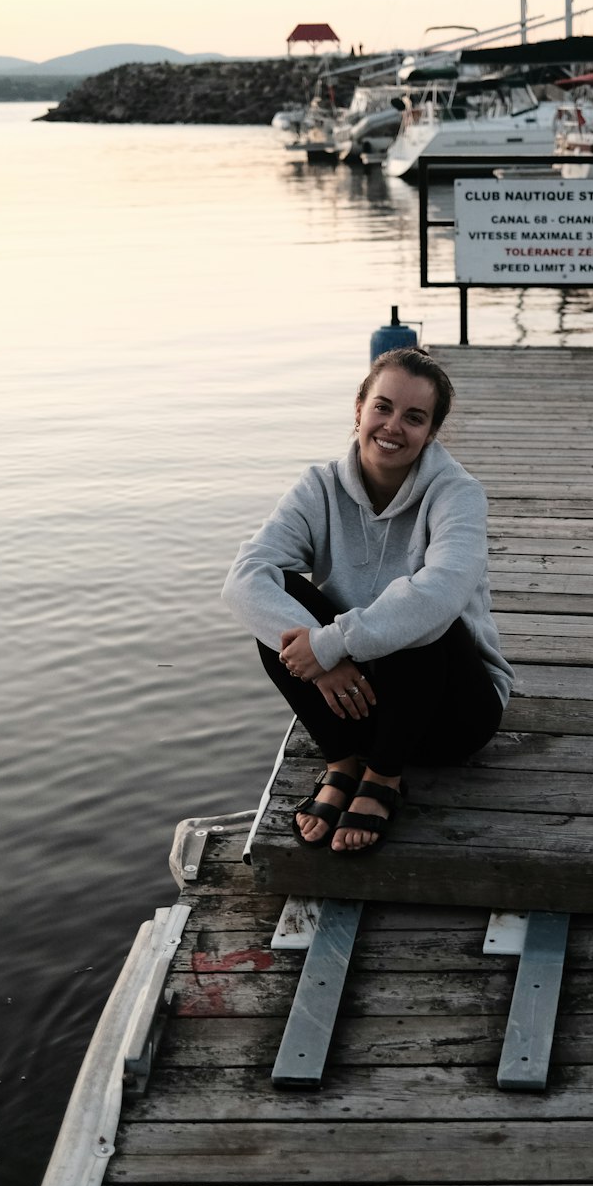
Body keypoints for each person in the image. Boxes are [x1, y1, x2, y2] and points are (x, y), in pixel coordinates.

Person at [222, 347, 513, 855]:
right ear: (359, 408)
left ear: (431, 432)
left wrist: (331, 643)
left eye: (414, 417)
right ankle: (342, 762)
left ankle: (383, 777)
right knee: (276, 597)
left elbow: (442, 591)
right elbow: (242, 578)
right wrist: (322, 656)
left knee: (419, 612)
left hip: (452, 713)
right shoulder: (319, 487)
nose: (393, 427)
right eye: (383, 407)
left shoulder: (457, 494)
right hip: (359, 701)